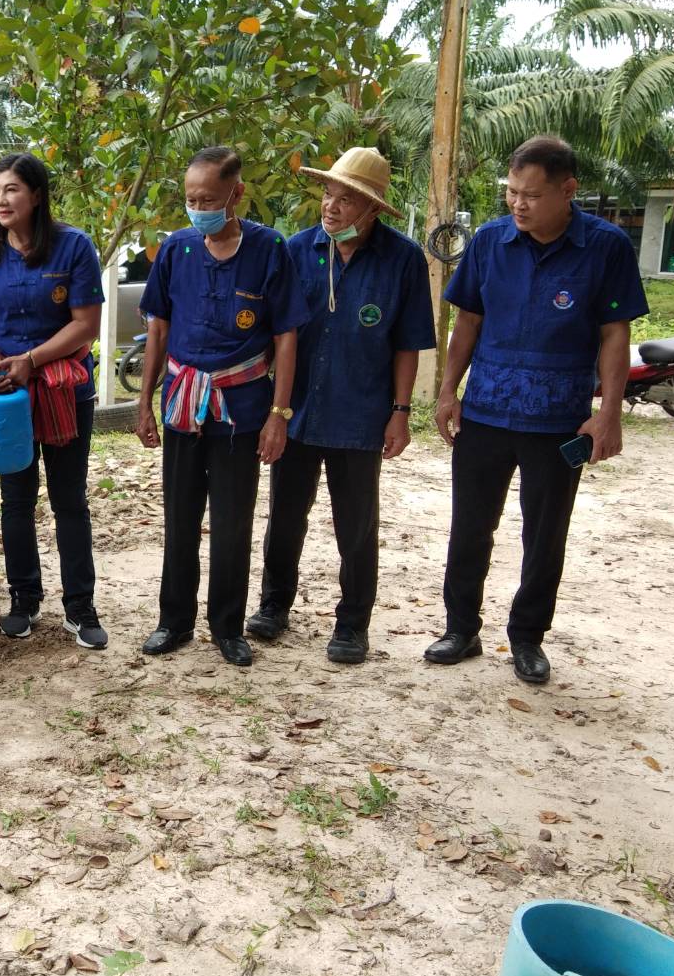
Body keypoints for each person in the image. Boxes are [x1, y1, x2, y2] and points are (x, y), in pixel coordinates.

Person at [426, 135, 647, 685]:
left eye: (531, 195)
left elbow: (614, 334)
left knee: (545, 535)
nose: (518, 205)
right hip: (485, 412)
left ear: (568, 190)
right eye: (511, 193)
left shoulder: (606, 247)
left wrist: (609, 413)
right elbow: (468, 322)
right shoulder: (489, 242)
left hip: (559, 420)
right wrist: (449, 391)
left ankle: (527, 638)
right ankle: (460, 628)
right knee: (469, 527)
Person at [247, 147, 437, 665]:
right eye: (328, 195)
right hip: (296, 410)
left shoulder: (402, 259)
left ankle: (353, 624)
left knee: (356, 525)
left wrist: (400, 411)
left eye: (346, 200)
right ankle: (273, 606)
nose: (331, 207)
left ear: (373, 208)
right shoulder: (296, 250)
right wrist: (271, 410)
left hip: (361, 413)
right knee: (285, 516)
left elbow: (408, 343)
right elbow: (275, 335)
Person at [135, 146, 308, 668]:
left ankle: (228, 627)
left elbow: (285, 337)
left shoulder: (270, 249)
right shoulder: (176, 250)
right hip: (183, 403)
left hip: (242, 408)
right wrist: (144, 403)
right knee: (180, 516)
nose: (197, 209)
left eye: (208, 200)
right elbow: (158, 329)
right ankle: (174, 621)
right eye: (190, 200)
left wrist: (278, 415)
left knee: (233, 521)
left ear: (236, 194)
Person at [0, 153, 107, 648]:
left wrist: (31, 359)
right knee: (16, 500)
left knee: (69, 500)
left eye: (12, 190)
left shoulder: (74, 246)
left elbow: (86, 324)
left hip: (65, 389)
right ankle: (24, 598)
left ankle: (80, 607)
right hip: (6, 395)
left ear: (37, 195)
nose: (0, 200)